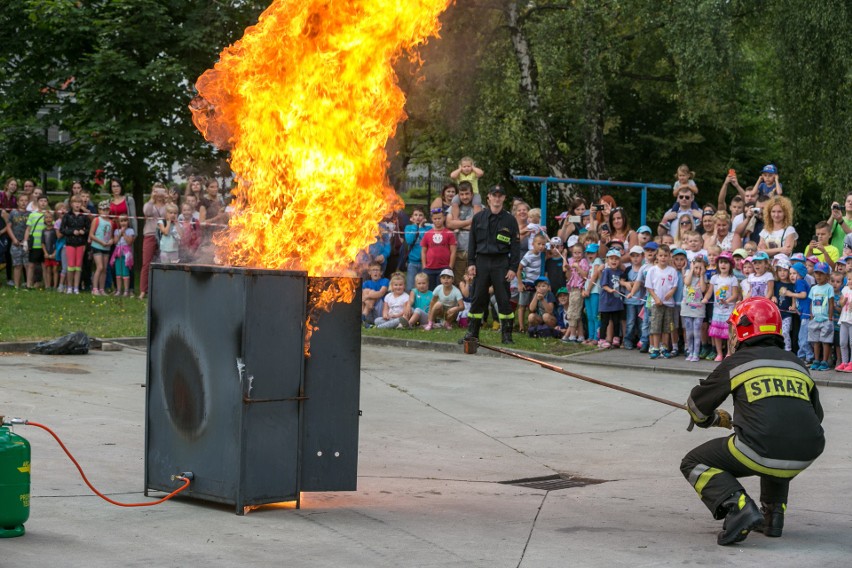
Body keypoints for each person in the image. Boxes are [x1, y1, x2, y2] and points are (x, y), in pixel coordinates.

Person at [680, 296, 824, 546]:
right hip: (807, 451)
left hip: (761, 447)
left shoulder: (737, 362)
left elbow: (697, 409)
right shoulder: (797, 363)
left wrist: (714, 419)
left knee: (693, 462)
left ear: (744, 329)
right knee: (775, 441)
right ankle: (774, 516)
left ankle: (739, 506)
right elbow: (816, 416)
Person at [463, 184, 521, 345]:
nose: (496, 198)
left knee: (503, 299)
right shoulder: (478, 217)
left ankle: (507, 335)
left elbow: (515, 246)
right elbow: (472, 243)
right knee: (477, 297)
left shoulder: (510, 220)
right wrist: (471, 263)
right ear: (488, 197)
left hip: (501, 262)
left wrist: (513, 268)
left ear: (503, 198)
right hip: (481, 261)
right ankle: (472, 333)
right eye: (494, 195)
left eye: (499, 196)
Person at [704, 251, 739, 361]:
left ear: (730, 265)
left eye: (726, 263)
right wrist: (705, 298)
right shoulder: (715, 278)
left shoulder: (732, 279)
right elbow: (710, 292)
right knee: (717, 334)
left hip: (728, 310)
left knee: (729, 333)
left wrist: (727, 301)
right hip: (717, 310)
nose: (723, 265)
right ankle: (719, 353)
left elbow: (735, 295)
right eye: (721, 262)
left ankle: (729, 352)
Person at [645, 244, 678, 359]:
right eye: (661, 255)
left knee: (666, 327)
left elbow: (674, 285)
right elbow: (649, 287)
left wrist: (671, 292)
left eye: (665, 255)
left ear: (669, 257)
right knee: (655, 326)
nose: (663, 258)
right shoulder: (652, 270)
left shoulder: (672, 271)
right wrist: (656, 298)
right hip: (656, 303)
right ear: (657, 257)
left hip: (668, 304)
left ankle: (664, 347)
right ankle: (655, 348)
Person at [447, 181, 481, 283]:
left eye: (467, 194)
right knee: (459, 281)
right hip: (458, 251)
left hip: (475, 252)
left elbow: (478, 226)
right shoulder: (453, 208)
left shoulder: (480, 207)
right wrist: (470, 221)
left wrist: (458, 224)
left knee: (474, 281)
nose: (464, 197)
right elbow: (449, 224)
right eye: (462, 194)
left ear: (472, 194)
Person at [139, 184, 168, 299]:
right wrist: (151, 198)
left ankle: (160, 289)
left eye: (161, 191)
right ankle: (143, 290)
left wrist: (168, 199)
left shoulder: (167, 205)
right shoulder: (149, 204)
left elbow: (171, 213)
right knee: (146, 263)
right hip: (150, 234)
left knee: (163, 262)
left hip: (164, 235)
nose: (159, 194)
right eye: (156, 191)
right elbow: (147, 212)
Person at [59, 195, 91, 294]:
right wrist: (72, 231)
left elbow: (89, 230)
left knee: (78, 266)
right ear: (71, 204)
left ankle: (76, 287)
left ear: (81, 204)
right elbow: (62, 230)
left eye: (79, 202)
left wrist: (83, 232)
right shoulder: (67, 216)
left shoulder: (84, 216)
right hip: (70, 243)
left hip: (81, 244)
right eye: (75, 202)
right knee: (70, 266)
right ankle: (69, 287)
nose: (77, 204)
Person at [420, 208, 457, 290]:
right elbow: (423, 251)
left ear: (443, 218)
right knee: (430, 290)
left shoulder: (449, 234)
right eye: (435, 219)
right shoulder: (428, 234)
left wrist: (450, 267)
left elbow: (453, 251)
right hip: (429, 268)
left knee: (442, 290)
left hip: (444, 267)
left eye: (439, 218)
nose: (437, 221)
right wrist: (424, 266)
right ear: (432, 219)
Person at [808, 262, 834, 372]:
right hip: (815, 318)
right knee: (816, 341)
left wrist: (830, 317)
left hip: (825, 319)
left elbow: (831, 302)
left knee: (825, 341)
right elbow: (811, 302)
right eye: (816, 273)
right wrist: (811, 314)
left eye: (821, 274)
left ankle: (825, 361)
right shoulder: (813, 288)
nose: (818, 276)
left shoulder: (829, 288)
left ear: (827, 276)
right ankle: (816, 360)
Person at [598, 248, 626, 348]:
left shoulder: (620, 272)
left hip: (616, 300)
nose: (614, 261)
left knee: (616, 320)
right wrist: (610, 290)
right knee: (605, 321)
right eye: (611, 258)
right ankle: (601, 339)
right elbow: (603, 285)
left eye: (616, 259)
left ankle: (616, 337)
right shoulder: (606, 271)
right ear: (607, 260)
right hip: (606, 301)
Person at [682, 254, 708, 361]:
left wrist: (701, 275)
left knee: (697, 331)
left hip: (698, 308)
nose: (698, 270)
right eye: (696, 267)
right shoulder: (688, 273)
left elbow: (702, 289)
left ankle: (696, 353)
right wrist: (691, 270)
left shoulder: (703, 277)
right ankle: (690, 352)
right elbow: (687, 283)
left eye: (700, 268)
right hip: (687, 307)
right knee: (689, 332)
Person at [87, 201, 114, 295]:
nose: (105, 212)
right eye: (103, 210)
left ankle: (102, 289)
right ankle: (95, 288)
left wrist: (111, 241)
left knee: (104, 268)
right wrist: (101, 242)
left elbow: (110, 235)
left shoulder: (111, 221)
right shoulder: (96, 220)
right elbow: (91, 234)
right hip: (97, 246)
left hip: (106, 247)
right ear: (99, 210)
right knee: (100, 267)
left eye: (107, 210)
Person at [403, 206, 430, 292]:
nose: (418, 217)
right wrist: (415, 227)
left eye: (420, 215)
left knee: (424, 287)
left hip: (425, 263)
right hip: (412, 263)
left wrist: (421, 228)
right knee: (411, 288)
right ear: (412, 217)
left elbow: (427, 241)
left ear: (424, 218)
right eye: (415, 215)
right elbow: (410, 241)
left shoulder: (429, 229)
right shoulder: (408, 228)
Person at [23, 197, 46, 289]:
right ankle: (29, 284)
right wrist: (25, 241)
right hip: (34, 243)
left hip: (44, 244)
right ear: (37, 202)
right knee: (31, 265)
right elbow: (28, 229)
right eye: (41, 201)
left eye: (45, 201)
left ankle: (46, 284)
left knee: (44, 265)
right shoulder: (32, 215)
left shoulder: (49, 214)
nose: (43, 203)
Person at [110, 215, 135, 296]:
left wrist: (124, 233)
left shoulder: (130, 230)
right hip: (118, 253)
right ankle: (119, 290)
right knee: (118, 272)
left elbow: (129, 242)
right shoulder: (116, 231)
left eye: (125, 220)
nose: (123, 222)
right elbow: (115, 241)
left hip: (126, 253)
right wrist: (120, 233)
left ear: (128, 222)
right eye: (121, 221)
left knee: (125, 272)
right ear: (119, 222)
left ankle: (126, 290)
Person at [361, 262, 389, 327]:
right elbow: (362, 297)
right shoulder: (366, 283)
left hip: (379, 309)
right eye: (373, 270)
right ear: (369, 272)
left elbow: (381, 293)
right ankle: (363, 317)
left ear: (381, 272)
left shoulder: (385, 280)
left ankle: (362, 318)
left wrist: (368, 296)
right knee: (366, 292)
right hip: (369, 310)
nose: (375, 272)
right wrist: (367, 298)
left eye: (377, 270)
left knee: (370, 292)